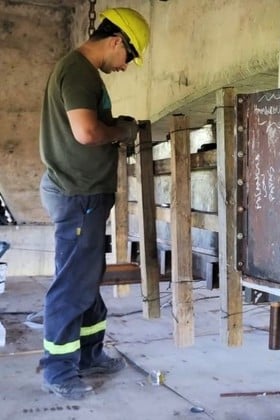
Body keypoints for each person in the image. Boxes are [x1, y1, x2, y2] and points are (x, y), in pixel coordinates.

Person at [38, 8, 150, 400]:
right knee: (73, 283)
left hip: (82, 193)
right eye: (129, 55)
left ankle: (89, 355)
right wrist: (121, 130)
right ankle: (58, 370)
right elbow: (86, 132)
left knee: (86, 278)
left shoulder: (79, 71)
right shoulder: (79, 71)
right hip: (78, 193)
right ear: (116, 41)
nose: (126, 65)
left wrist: (116, 126)